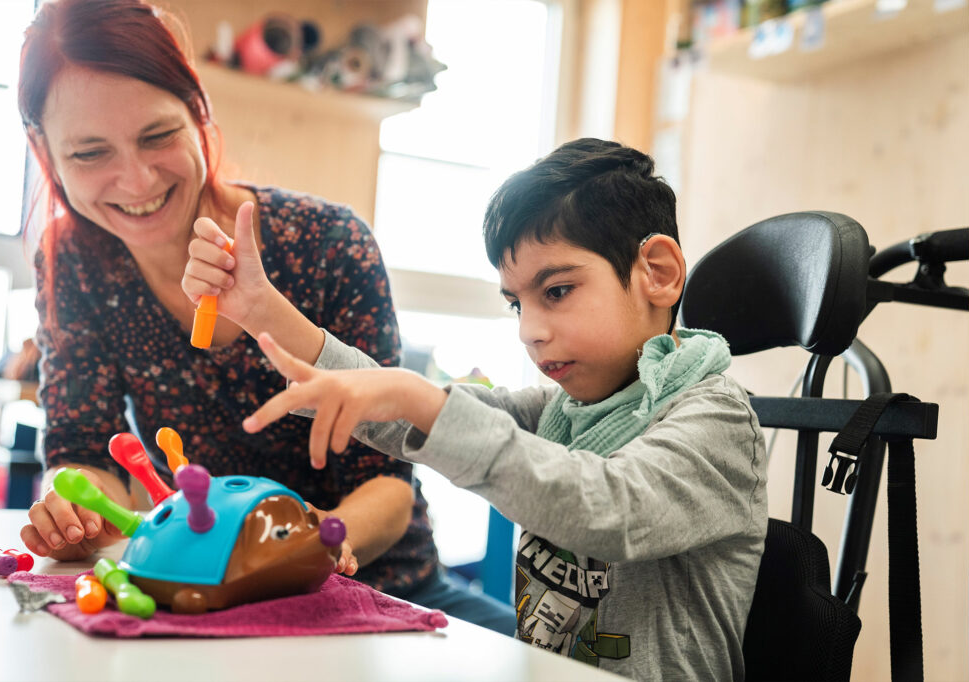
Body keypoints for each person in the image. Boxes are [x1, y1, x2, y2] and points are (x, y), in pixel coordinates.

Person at [15, 0, 513, 634]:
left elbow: (389, 488)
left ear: (199, 110)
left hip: (383, 597)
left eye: (158, 135)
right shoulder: (75, 260)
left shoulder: (326, 243)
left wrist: (301, 552)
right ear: (43, 148)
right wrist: (77, 508)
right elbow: (86, 452)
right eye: (89, 153)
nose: (135, 180)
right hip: (202, 603)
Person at [186, 138, 768, 679]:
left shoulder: (717, 420)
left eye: (557, 291)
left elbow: (610, 507)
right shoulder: (564, 410)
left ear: (657, 274)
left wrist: (420, 399)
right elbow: (405, 413)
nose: (530, 331)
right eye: (517, 304)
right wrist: (261, 310)